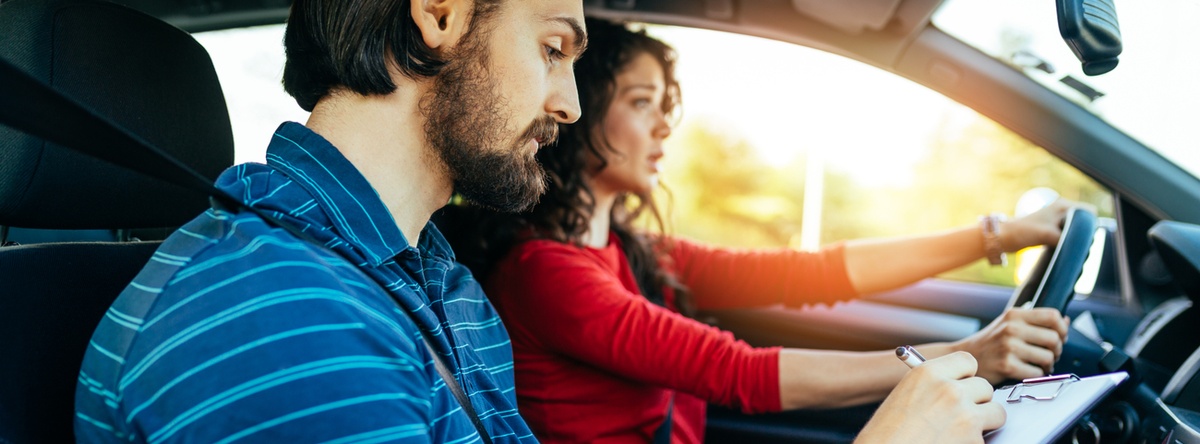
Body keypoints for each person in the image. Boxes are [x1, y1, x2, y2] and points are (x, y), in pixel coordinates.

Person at [463, 18, 1073, 443]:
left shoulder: (631, 250)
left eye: (663, 107)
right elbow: (742, 373)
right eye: (641, 103)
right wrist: (971, 354)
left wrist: (996, 236)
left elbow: (812, 272)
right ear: (582, 109)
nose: (664, 129)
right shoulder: (547, 273)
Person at [74, 0, 586, 441]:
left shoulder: (450, 289)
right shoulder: (283, 311)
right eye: (553, 50)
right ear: (439, 13)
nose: (571, 107)